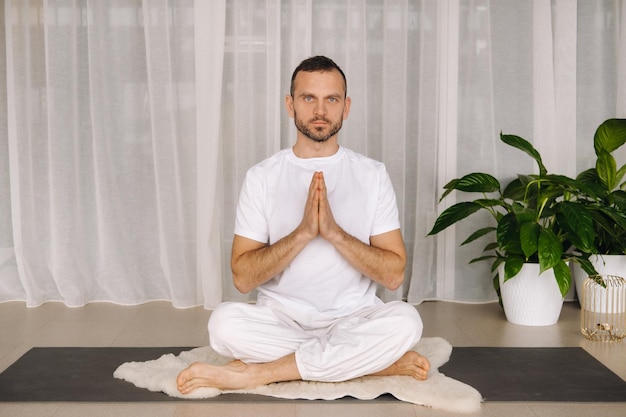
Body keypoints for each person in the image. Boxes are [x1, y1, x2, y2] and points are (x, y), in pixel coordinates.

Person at [177, 56, 430, 394]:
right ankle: (375, 363)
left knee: (406, 322)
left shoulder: (372, 174)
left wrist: (335, 234)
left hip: (353, 318)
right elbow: (242, 277)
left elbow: (394, 274)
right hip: (283, 319)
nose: (320, 110)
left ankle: (261, 373)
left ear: (346, 107)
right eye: (309, 98)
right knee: (223, 324)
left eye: (332, 99)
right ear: (290, 104)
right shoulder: (262, 176)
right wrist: (303, 234)